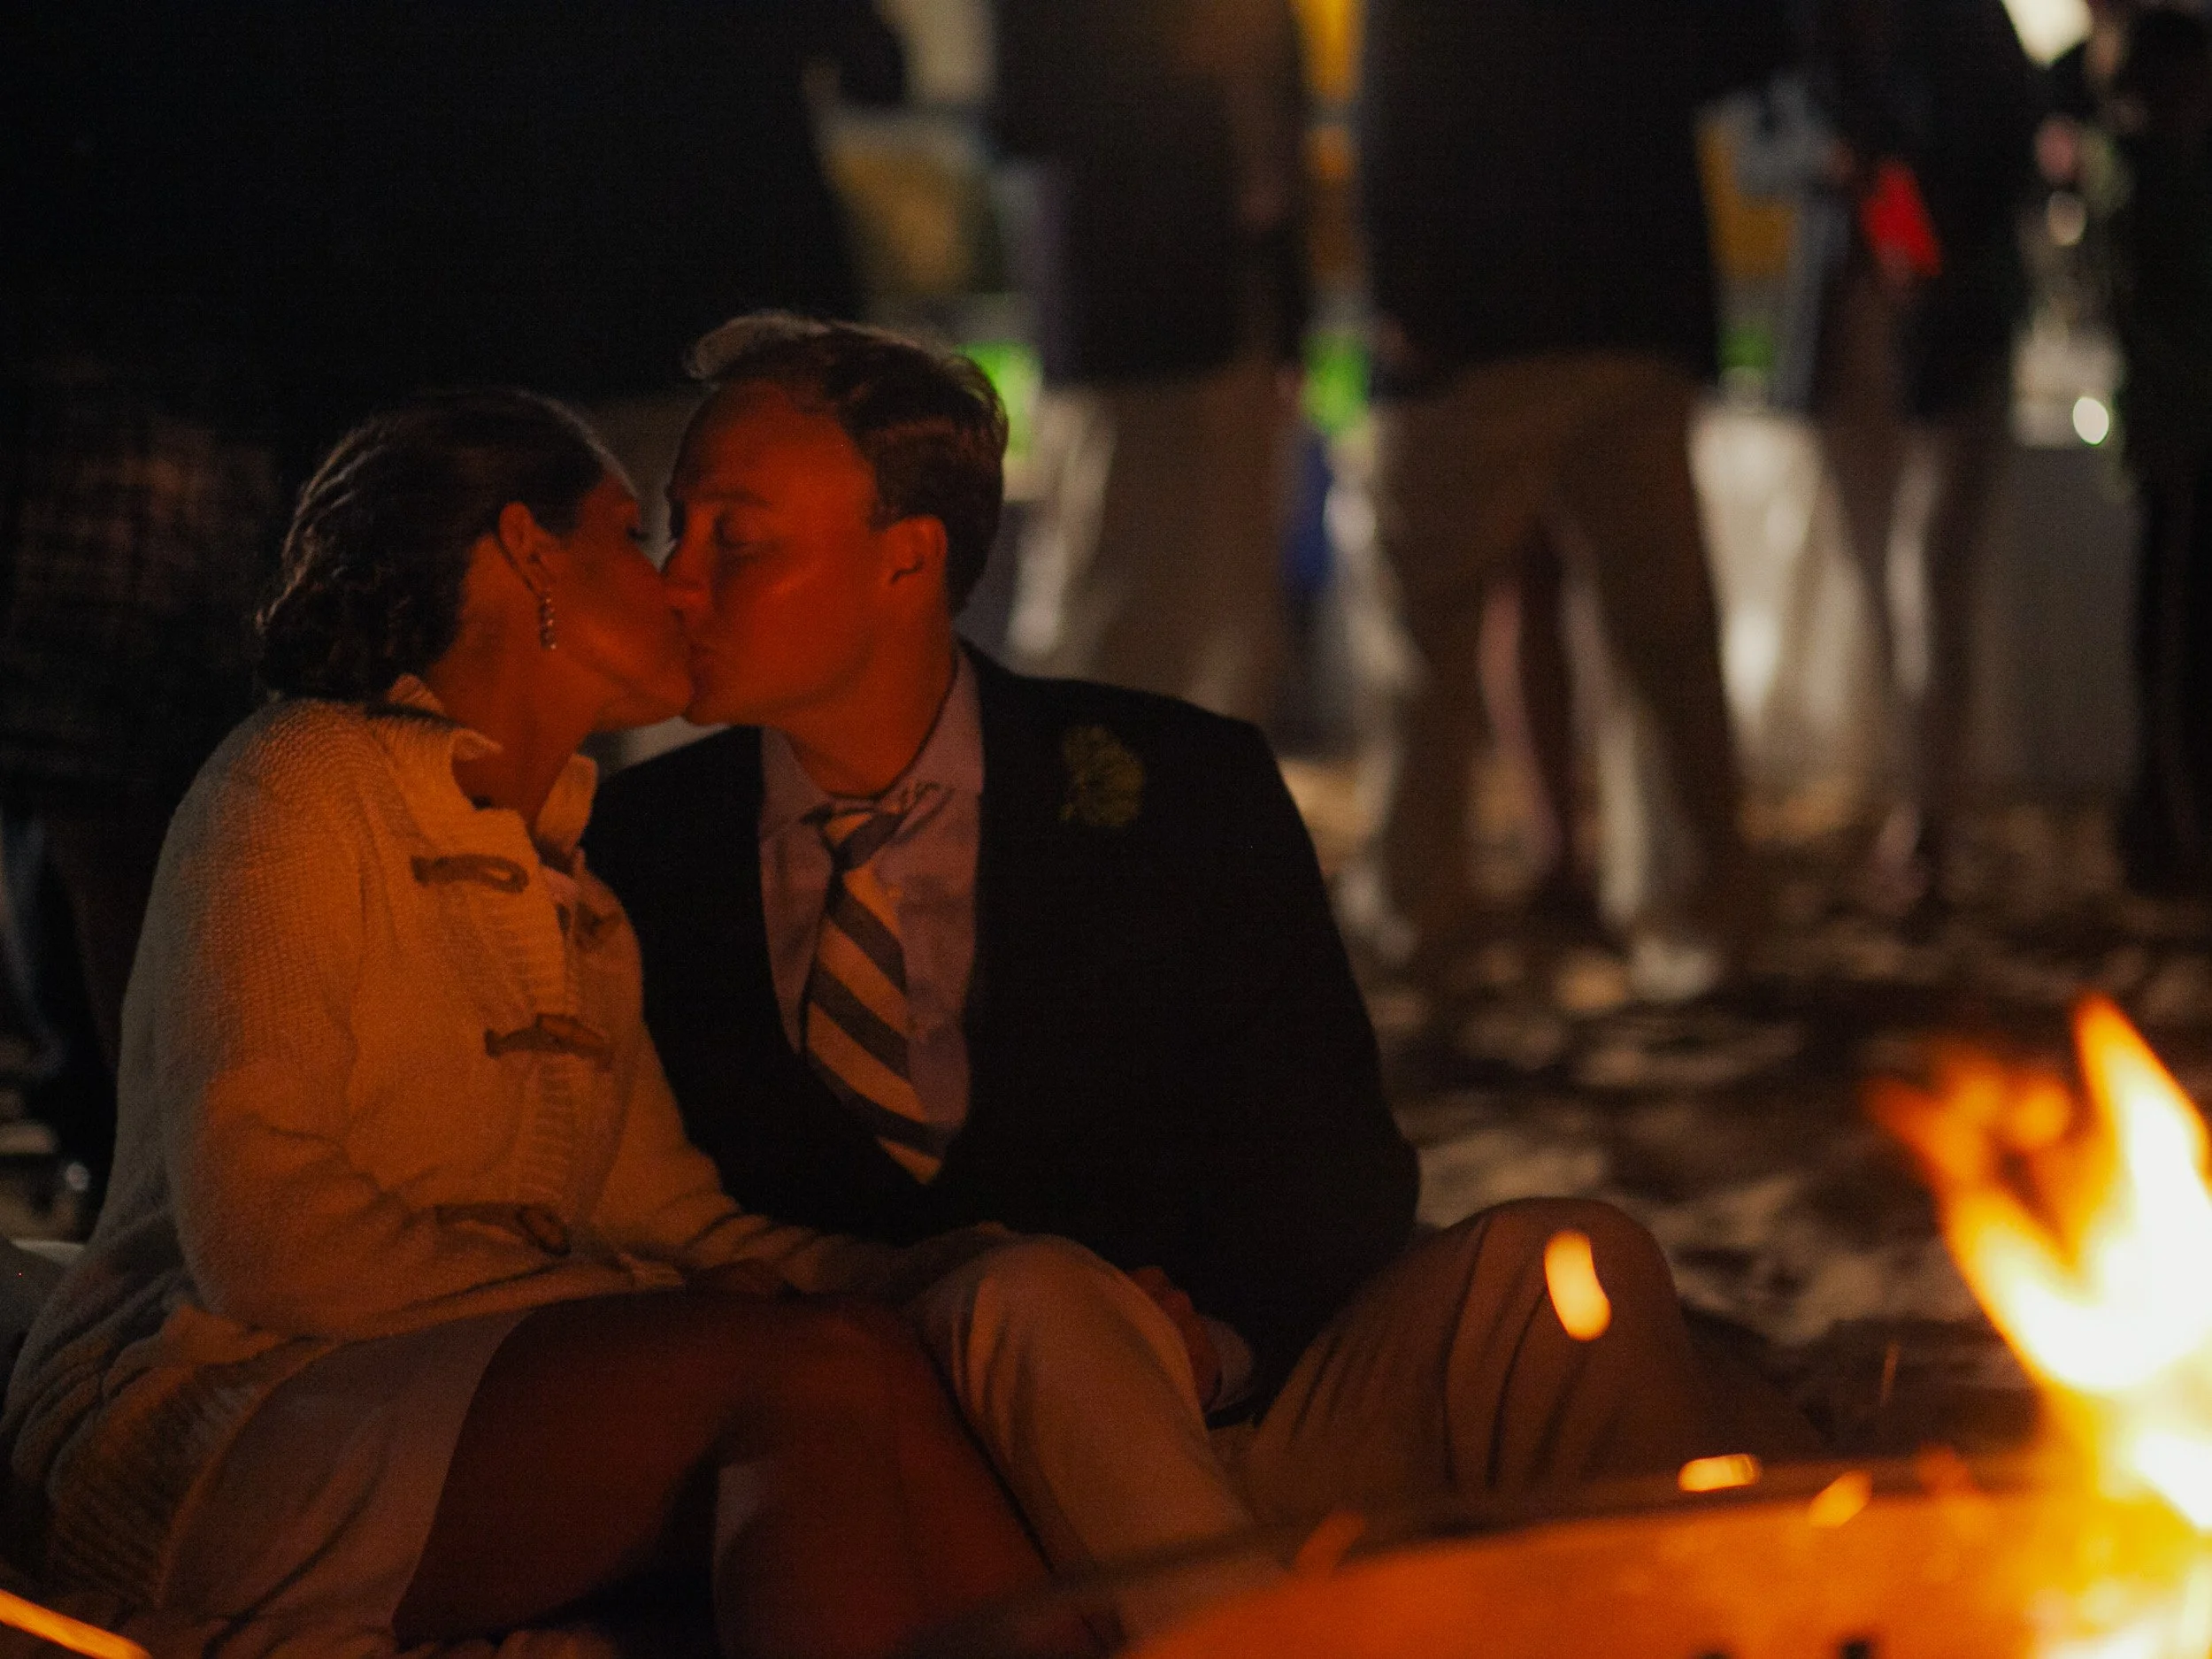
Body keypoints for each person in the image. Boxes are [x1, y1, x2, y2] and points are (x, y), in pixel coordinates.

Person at [590, 316, 1804, 1597]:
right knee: (1031, 1297)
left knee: (1565, 1264)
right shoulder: (642, 852)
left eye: (738, 536)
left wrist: (1211, 1347)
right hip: (945, 1482)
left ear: (907, 559)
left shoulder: (1175, 782)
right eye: (680, 528)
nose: (677, 577)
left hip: (1243, 1406)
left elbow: (1336, 1162)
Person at [1, 390, 1046, 1658]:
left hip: (447, 1387)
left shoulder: (578, 898)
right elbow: (264, 1232)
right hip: (213, 1411)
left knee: (871, 1354)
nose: (673, 581)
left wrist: (954, 1276)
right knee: (805, 1374)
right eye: (627, 531)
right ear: (529, 552)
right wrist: (628, 1296)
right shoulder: (299, 783)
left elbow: (678, 1219)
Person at [1353, 0, 1787, 1002]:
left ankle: (1413, 917)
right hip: (1626, 299)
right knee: (1663, 643)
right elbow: (1742, 46)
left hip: (1475, 318)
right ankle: (1693, 918)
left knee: (1426, 642)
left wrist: (1403, 294)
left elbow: (1393, 88)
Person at [993, 0, 1308, 726]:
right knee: (1109, 607)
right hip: (1126, 322)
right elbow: (1021, 111)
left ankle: (1209, 817)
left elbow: (1277, 140)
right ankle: (1085, 819)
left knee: (1239, 612)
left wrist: (1289, 323)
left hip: (1240, 313)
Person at [1795, 0, 2046, 910]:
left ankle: (1927, 818)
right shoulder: (1813, 35)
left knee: (1928, 581)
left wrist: (1895, 210)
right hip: (1852, 328)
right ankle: (1916, 800)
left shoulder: (1960, 33)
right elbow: (1776, 136)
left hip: (1951, 338)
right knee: (1886, 587)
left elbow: (1982, 172)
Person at [2111, 7, 2212, 894]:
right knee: (2167, 649)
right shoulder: (2149, 176)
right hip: (2172, 449)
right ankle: (2166, 827)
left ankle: (2174, 830)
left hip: (2182, 449)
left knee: (2177, 649)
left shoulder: (2168, 178)